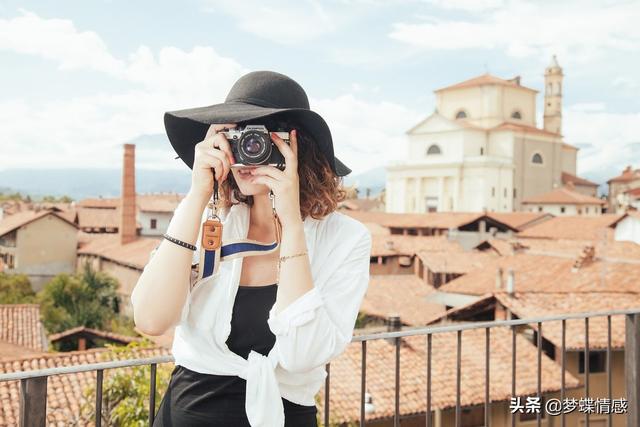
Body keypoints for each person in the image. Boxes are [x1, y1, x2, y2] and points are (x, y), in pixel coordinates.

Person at [131, 70, 372, 427]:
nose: (247, 149)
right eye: (235, 135)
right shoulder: (209, 220)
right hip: (189, 412)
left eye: (259, 136)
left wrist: (290, 223)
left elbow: (302, 354)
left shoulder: (346, 239)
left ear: (296, 147)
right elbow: (151, 319)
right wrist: (198, 193)